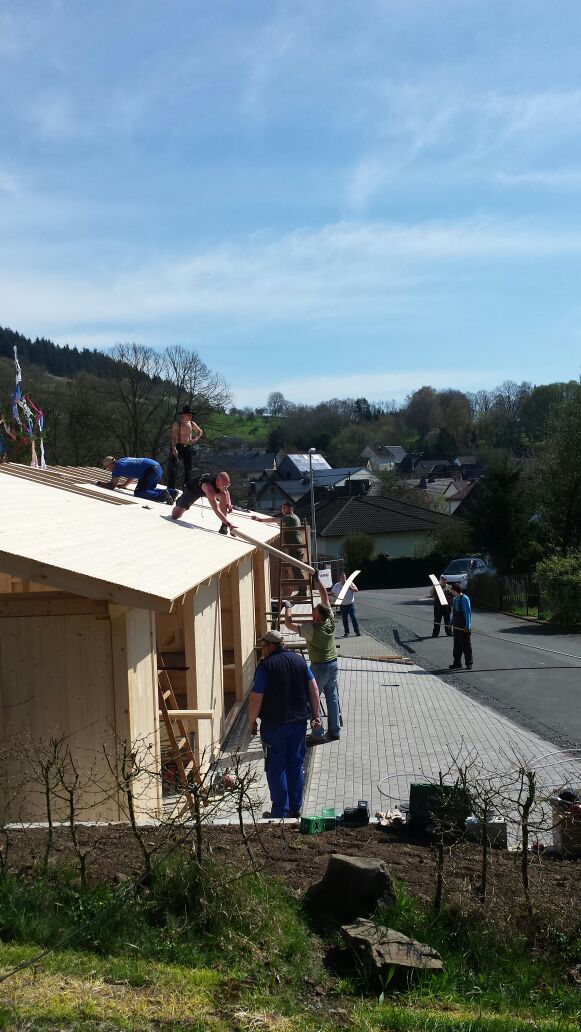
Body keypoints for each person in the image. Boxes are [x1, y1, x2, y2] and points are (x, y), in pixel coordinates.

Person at [247, 629, 321, 818]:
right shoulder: (299, 661)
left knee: (276, 766)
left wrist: (251, 722)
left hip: (274, 725)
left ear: (271, 646)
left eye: (263, 646)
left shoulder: (266, 666)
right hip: (298, 723)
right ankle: (296, 808)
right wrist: (316, 715)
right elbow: (314, 688)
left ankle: (280, 811)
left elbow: (255, 698)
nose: (262, 650)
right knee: (295, 763)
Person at [283, 576, 341, 741]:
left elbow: (288, 624)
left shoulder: (311, 628)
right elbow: (324, 596)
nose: (311, 612)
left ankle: (317, 733)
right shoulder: (329, 619)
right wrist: (317, 579)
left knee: (312, 699)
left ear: (317, 618)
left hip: (319, 667)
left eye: (313, 612)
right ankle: (335, 731)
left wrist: (288, 607)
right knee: (332, 697)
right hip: (333, 664)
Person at [253, 502, 308, 597]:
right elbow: (281, 524)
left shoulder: (290, 517)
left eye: (285, 508)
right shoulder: (294, 517)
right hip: (295, 546)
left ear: (291, 509)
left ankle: (303, 592)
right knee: (297, 569)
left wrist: (260, 520)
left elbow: (275, 519)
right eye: (282, 508)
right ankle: (302, 591)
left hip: (295, 546)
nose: (283, 510)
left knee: (297, 569)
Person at [171, 470, 237, 535]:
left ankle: (224, 525)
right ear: (217, 481)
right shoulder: (208, 486)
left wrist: (229, 503)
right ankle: (180, 501)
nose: (225, 488)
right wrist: (229, 524)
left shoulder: (221, 482)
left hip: (208, 491)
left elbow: (226, 491)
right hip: (193, 490)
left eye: (227, 486)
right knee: (175, 515)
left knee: (223, 494)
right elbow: (216, 509)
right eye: (224, 486)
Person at [99, 456, 174, 504]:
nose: (108, 469)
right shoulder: (123, 460)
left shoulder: (117, 469)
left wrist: (100, 483)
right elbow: (132, 475)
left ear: (110, 465)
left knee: (139, 492)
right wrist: (124, 485)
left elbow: (112, 486)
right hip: (157, 468)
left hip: (150, 470)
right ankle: (172, 492)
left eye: (107, 467)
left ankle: (163, 495)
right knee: (148, 490)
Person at [167, 405, 203, 492]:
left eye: (191, 415)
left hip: (188, 447)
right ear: (183, 415)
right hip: (178, 446)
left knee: (188, 470)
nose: (190, 416)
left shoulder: (192, 424)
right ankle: (171, 490)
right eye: (188, 415)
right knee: (173, 469)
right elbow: (173, 437)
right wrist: (174, 448)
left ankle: (186, 491)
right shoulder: (177, 424)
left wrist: (196, 438)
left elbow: (200, 432)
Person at [449, 582, 473, 669]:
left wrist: (468, 626)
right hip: (456, 625)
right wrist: (451, 623)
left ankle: (469, 663)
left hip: (464, 626)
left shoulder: (465, 599)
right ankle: (457, 663)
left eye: (451, 589)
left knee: (466, 646)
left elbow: (468, 614)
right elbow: (454, 612)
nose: (451, 591)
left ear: (455, 590)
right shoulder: (455, 599)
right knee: (457, 646)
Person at [330, 571, 361, 637]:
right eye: (342, 577)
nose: (343, 579)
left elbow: (356, 590)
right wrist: (334, 595)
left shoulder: (349, 583)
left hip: (350, 604)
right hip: (343, 605)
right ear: (340, 578)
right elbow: (332, 592)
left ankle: (357, 631)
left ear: (346, 578)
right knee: (344, 619)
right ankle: (346, 632)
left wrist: (350, 588)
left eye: (344, 577)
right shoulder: (337, 585)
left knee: (353, 618)